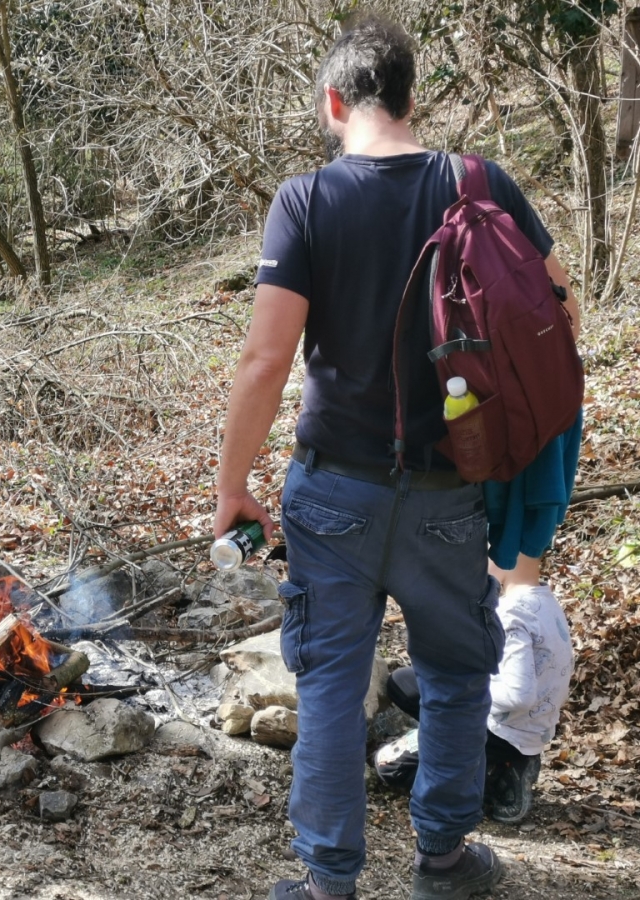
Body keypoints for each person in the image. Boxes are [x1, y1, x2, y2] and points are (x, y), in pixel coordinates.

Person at [212, 16, 580, 900]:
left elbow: (266, 359)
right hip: (453, 491)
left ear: (335, 104)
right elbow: (558, 314)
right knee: (457, 677)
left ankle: (327, 881)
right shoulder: (479, 182)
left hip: (333, 489)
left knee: (334, 682)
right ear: (414, 99)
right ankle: (444, 863)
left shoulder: (306, 200)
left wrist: (231, 486)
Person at [376, 417, 581, 824]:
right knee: (408, 681)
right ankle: (494, 758)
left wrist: (471, 688)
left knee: (387, 762)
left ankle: (489, 770)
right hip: (533, 733)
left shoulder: (513, 613)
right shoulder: (547, 604)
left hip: (500, 729)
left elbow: (518, 693)